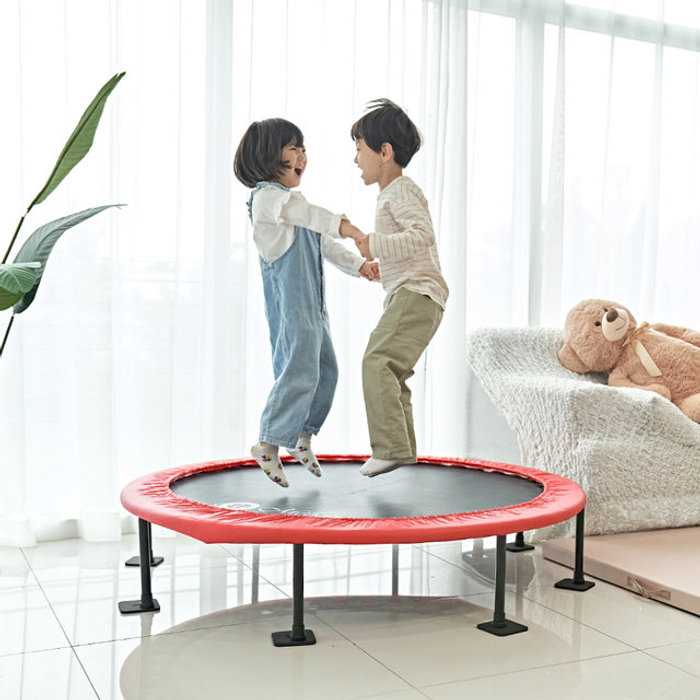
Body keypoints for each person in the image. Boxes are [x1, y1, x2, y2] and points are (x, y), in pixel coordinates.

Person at [234, 118, 379, 487]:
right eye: (293, 148)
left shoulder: (291, 205)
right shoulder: (268, 200)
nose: (302, 156)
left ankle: (302, 435)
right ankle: (268, 441)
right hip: (291, 309)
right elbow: (314, 217)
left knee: (327, 370)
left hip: (314, 308)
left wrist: (360, 266)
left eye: (303, 149)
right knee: (299, 370)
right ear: (268, 156)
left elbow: (322, 244)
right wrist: (351, 229)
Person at [343, 99, 449, 477]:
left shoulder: (400, 191)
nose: (356, 159)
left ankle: (389, 448)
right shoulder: (393, 194)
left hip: (416, 292)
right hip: (415, 293)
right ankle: (401, 450)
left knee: (376, 362)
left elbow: (421, 236)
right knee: (393, 372)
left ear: (384, 152)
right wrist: (381, 265)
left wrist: (375, 244)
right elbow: (407, 245)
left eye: (359, 149)